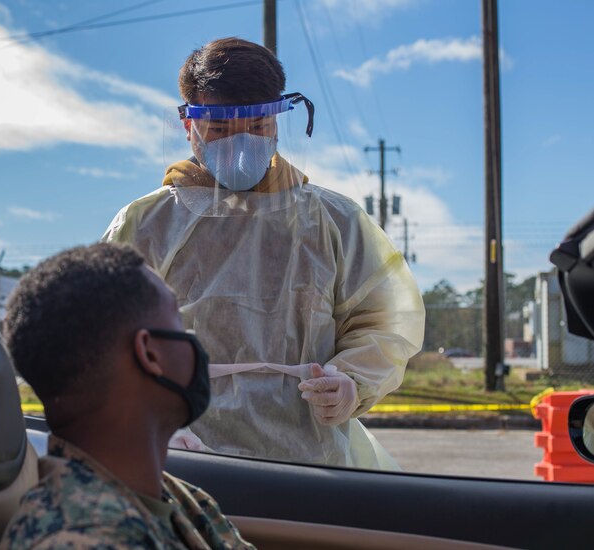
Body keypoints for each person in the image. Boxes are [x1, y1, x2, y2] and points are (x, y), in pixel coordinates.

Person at [102, 37, 425, 469]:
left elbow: (384, 320)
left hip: (309, 458)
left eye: (256, 127)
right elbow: (103, 335)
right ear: (188, 125)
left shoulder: (333, 220)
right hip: (182, 458)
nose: (240, 145)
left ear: (277, 121)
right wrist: (147, 415)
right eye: (219, 129)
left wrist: (351, 381)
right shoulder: (146, 224)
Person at [0, 243, 254, 549]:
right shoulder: (78, 539)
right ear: (149, 353)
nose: (193, 343)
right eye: (179, 321)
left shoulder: (176, 497)